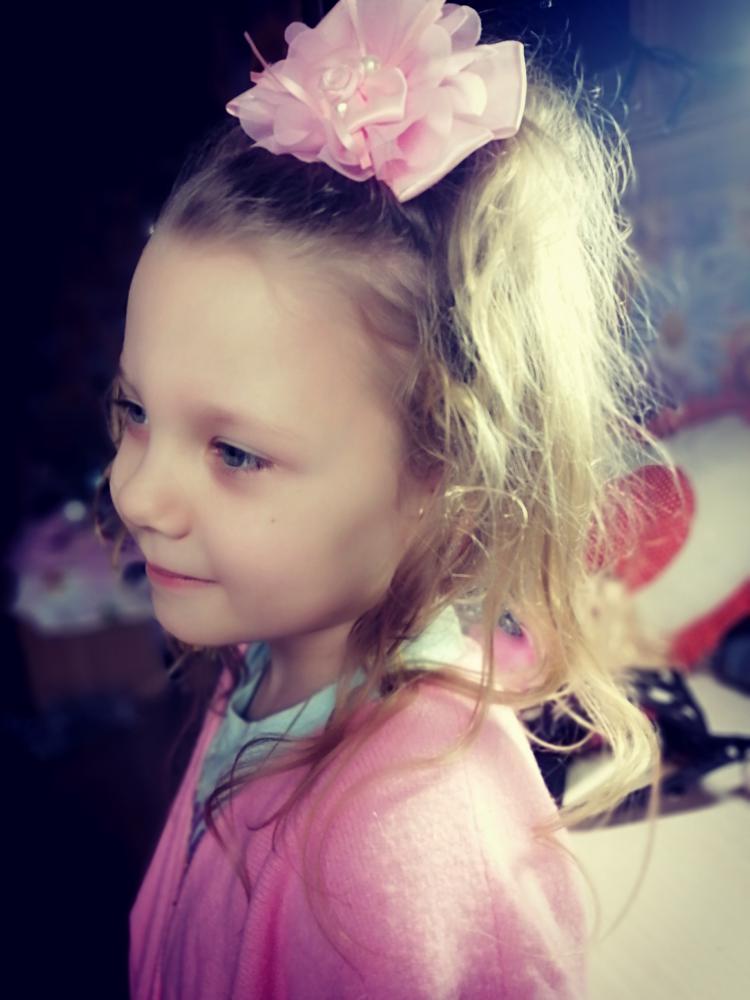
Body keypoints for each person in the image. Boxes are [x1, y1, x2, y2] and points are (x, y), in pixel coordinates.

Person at [95, 1, 679, 996]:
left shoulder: (396, 860)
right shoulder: (268, 654)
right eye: (134, 410)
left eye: (234, 451)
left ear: (445, 475)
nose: (137, 490)